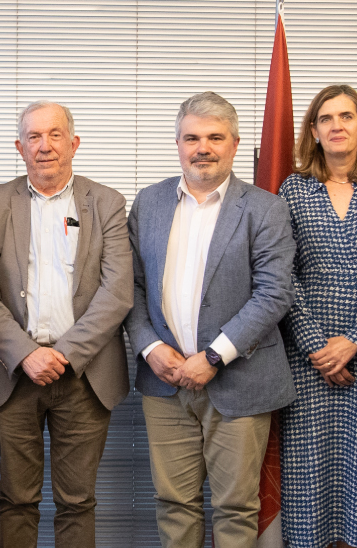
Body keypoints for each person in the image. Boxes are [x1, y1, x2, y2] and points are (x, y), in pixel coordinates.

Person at [126, 91, 296, 548]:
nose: (203, 148)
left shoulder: (265, 208)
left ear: (234, 144)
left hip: (240, 382)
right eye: (192, 138)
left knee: (236, 508)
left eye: (215, 137)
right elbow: (131, 286)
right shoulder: (149, 202)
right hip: (164, 381)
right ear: (178, 144)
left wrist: (214, 356)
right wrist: (149, 347)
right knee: (173, 505)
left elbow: (274, 293)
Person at [0, 100, 132, 548]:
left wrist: (63, 354)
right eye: (34, 137)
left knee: (77, 502)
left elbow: (117, 292)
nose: (45, 146)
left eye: (55, 134)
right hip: (13, 374)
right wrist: (27, 354)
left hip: (84, 376)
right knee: (16, 500)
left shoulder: (106, 202)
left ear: (74, 143)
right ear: (19, 148)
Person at [277, 85, 357, 548]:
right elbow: (281, 275)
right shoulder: (293, 189)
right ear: (313, 131)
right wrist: (316, 345)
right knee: (308, 470)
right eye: (326, 118)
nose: (337, 126)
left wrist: (354, 340)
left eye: (347, 116)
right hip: (306, 356)